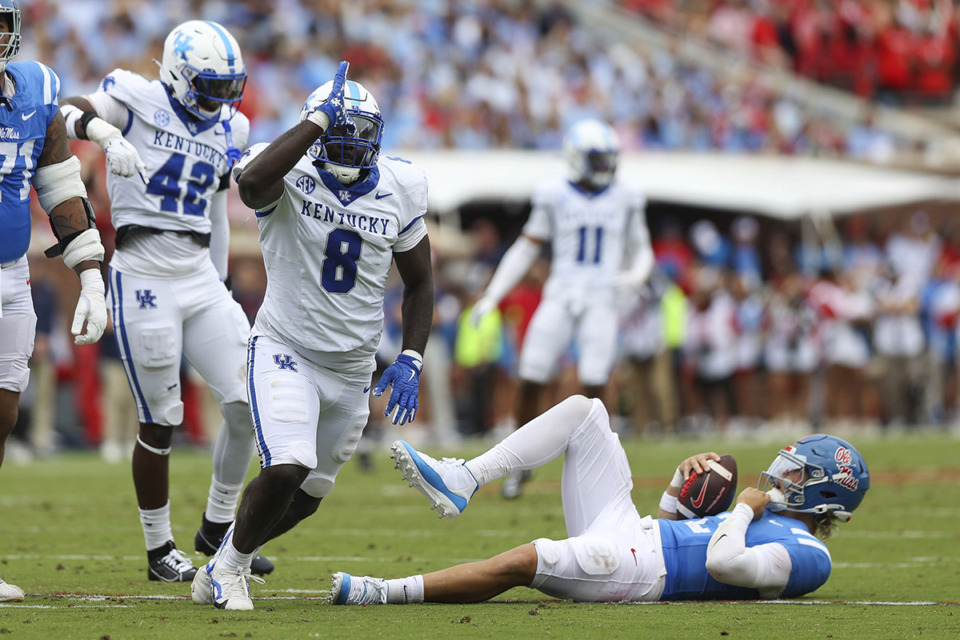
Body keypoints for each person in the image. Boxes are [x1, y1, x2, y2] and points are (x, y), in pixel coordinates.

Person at [190, 61, 435, 610]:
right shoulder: (285, 172)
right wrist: (321, 120)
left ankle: (220, 561)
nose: (348, 149)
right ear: (315, 130)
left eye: (359, 137)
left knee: (307, 498)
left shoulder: (401, 185)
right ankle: (230, 571)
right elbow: (249, 183)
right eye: (337, 136)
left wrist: (412, 356)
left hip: (352, 366)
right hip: (286, 349)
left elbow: (420, 283)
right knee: (288, 464)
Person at [58, 20, 273, 582]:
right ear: (178, 76)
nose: (224, 99)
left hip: (199, 275)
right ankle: (160, 551)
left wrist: (222, 284)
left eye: (231, 86)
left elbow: (219, 214)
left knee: (249, 401)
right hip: (142, 274)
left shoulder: (233, 125)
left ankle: (218, 527)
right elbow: (63, 113)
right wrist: (106, 135)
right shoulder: (137, 97)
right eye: (212, 85)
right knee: (161, 420)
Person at [329, 395, 870, 605]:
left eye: (798, 471)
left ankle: (382, 592)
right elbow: (679, 531)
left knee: (527, 559)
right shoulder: (772, 518)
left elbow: (720, 564)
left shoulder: (809, 556)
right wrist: (677, 496)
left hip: (640, 573)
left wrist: (746, 508)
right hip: (637, 535)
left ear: (825, 495)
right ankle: (466, 478)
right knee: (588, 413)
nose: (781, 473)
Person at [470, 118, 653, 498]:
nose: (605, 167)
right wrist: (493, 294)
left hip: (602, 295)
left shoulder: (626, 196)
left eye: (607, 159)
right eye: (596, 159)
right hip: (562, 292)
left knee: (595, 381)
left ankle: (599, 469)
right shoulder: (553, 193)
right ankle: (517, 465)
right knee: (531, 374)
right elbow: (526, 247)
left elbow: (642, 251)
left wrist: (635, 276)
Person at [0, 0, 108, 602]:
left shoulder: (35, 87)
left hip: (13, 275)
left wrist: (89, 276)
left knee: (4, 416)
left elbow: (60, 183)